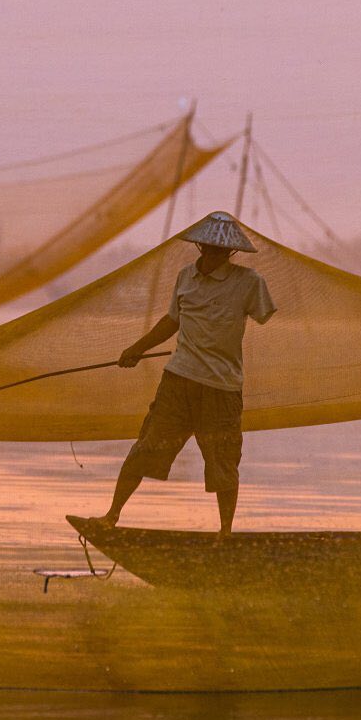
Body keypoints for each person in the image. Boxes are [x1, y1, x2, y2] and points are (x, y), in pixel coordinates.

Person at [92, 212, 275, 535]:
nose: (214, 254)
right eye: (208, 248)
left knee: (223, 462)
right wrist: (137, 349)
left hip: (221, 387)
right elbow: (172, 320)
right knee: (146, 447)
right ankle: (111, 515)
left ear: (231, 253)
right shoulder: (185, 278)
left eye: (221, 250)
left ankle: (225, 534)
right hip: (178, 381)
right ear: (200, 247)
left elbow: (265, 315)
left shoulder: (249, 282)